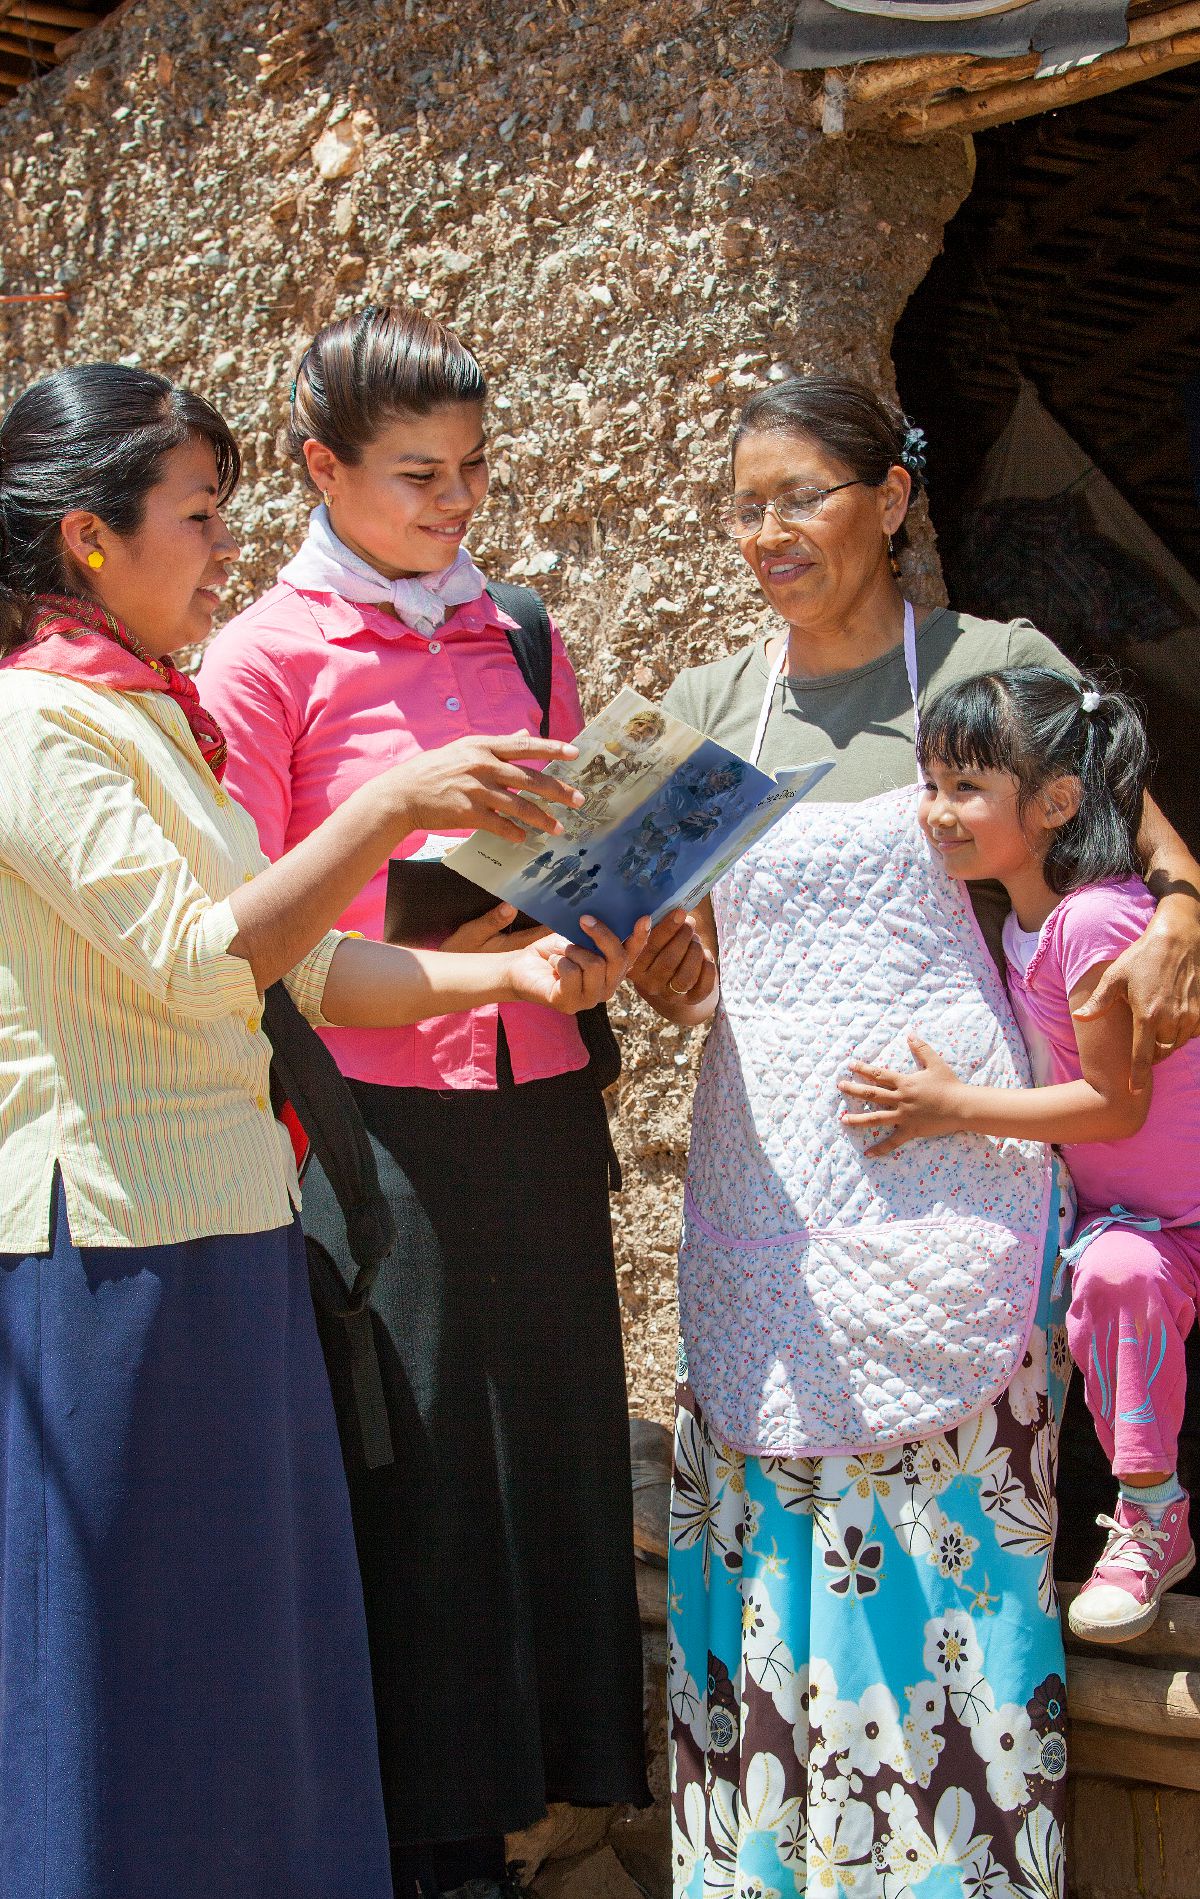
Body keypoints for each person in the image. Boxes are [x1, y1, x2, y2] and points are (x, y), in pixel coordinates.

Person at [0, 362, 643, 1899]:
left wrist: (514, 967)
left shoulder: (143, 719)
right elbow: (200, 954)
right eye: (201, 516)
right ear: (90, 540)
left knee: (246, 1646)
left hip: (222, 1228)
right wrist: (384, 806)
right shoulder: (36, 725)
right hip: (114, 1252)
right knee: (133, 1647)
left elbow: (303, 963)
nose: (225, 550)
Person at [626, 376, 1200, 1899]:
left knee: (950, 1578)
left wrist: (1188, 915)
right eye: (743, 504)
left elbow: (1139, 842)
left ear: (890, 499)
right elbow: (669, 957)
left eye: (800, 494)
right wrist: (670, 977)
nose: (766, 531)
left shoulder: (990, 665)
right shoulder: (702, 710)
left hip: (961, 1201)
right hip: (767, 1207)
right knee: (777, 1577)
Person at [198, 305, 659, 1898]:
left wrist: (591, 930)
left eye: (471, 471)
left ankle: (539, 1814)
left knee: (549, 1461)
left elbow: (562, 855)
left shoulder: (522, 632)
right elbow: (250, 926)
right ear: (321, 470)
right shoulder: (263, 660)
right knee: (426, 1487)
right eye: (416, 476)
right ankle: (422, 1840)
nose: (455, 505)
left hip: (539, 1100)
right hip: (374, 1126)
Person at [839, 667, 1200, 1644]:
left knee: (1118, 1271)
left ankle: (1152, 1519)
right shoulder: (1026, 922)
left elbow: (1117, 1105)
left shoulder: (1091, 922)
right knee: (1077, 1274)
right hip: (1128, 1218)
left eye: (967, 787)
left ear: (1055, 803)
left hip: (1179, 1217)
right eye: (931, 783)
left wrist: (954, 1108)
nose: (937, 811)